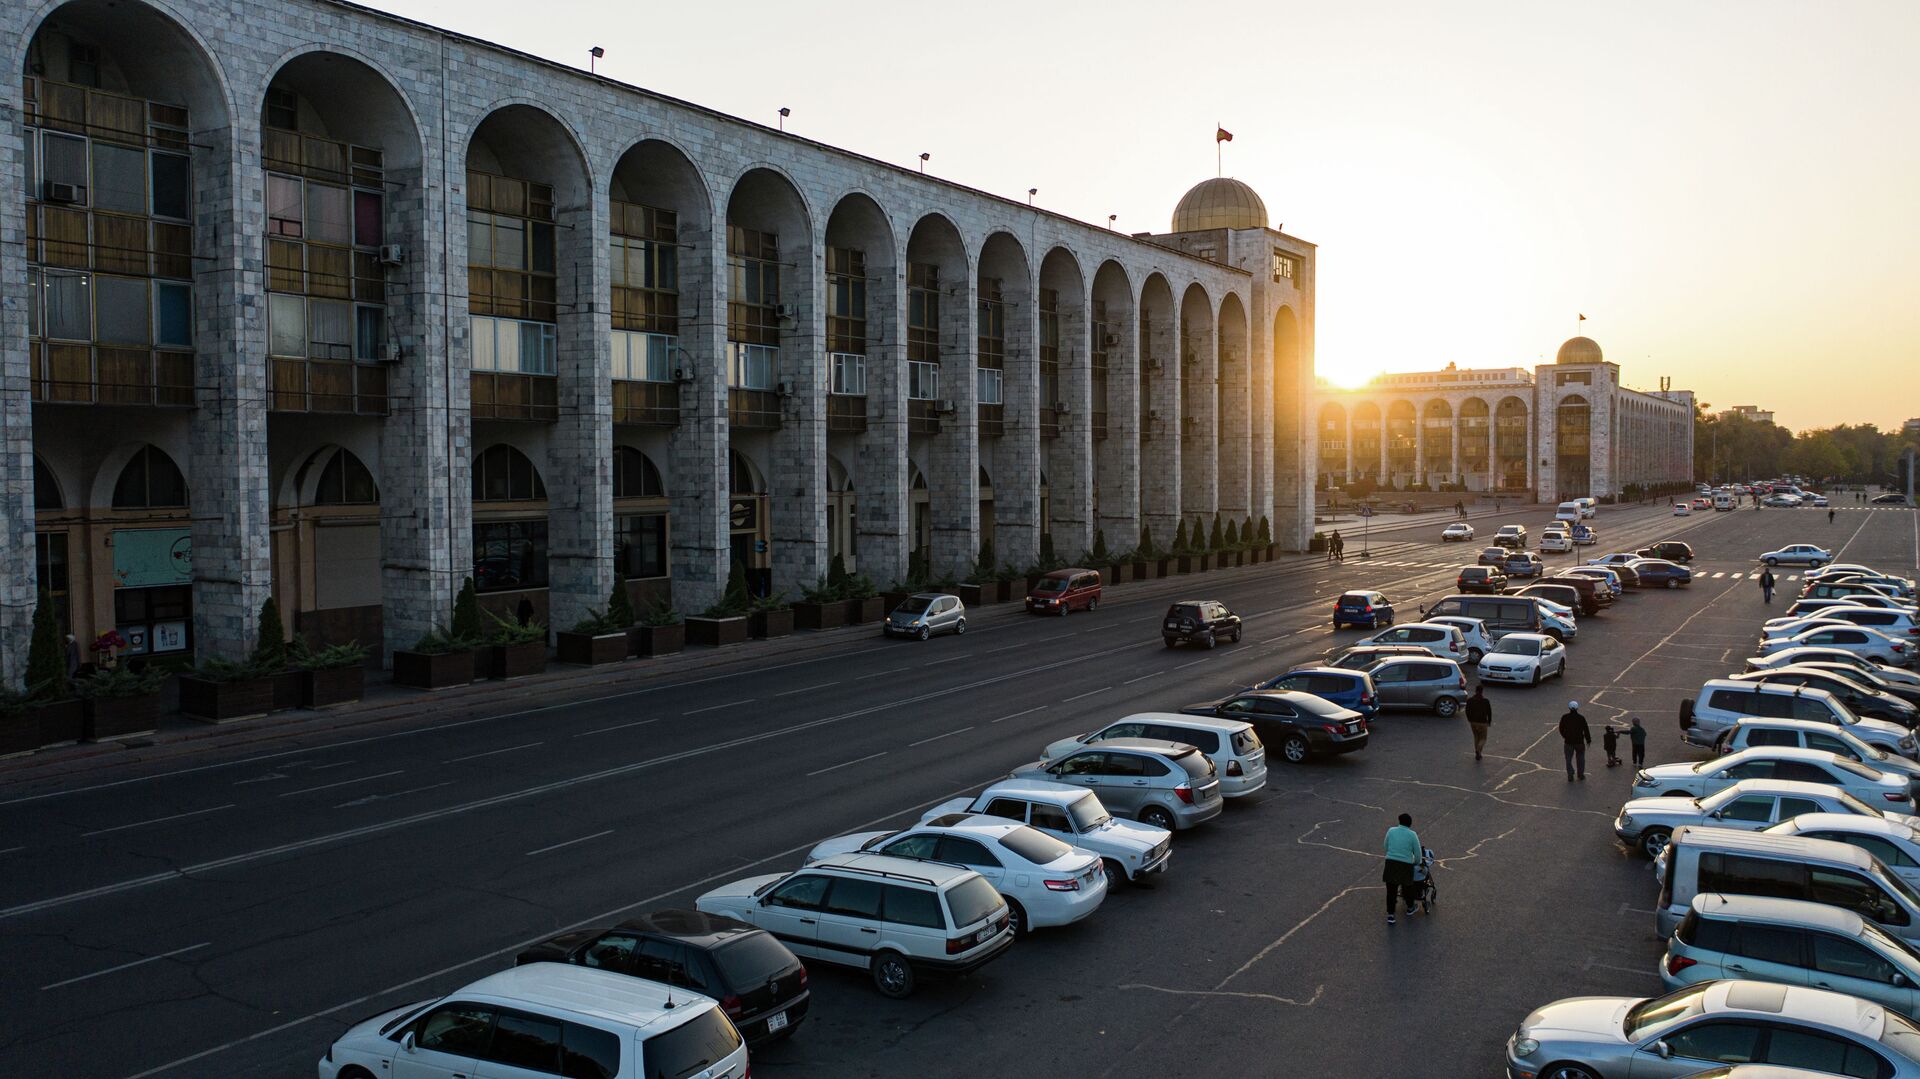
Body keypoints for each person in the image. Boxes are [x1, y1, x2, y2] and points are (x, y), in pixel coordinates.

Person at [1383, 812, 1422, 925]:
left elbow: (1385, 846)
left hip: (1391, 863)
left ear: (1399, 821)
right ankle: (1410, 908)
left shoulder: (1391, 830)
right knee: (1407, 887)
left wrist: (1391, 855)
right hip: (1405, 865)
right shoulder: (1412, 835)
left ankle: (1391, 915)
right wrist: (1415, 862)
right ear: (1410, 824)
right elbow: (1418, 854)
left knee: (1391, 890)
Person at [1559, 700, 1591, 781]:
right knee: (1580, 758)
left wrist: (1565, 736)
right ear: (1577, 708)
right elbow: (1586, 729)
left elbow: (1561, 728)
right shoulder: (1581, 718)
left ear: (1569, 708)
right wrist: (1588, 740)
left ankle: (1570, 774)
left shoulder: (1565, 717)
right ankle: (1580, 774)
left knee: (1568, 759)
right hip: (1579, 742)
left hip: (1568, 742)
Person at [1464, 685, 1492, 760]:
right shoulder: (1485, 701)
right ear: (1482, 691)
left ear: (1475, 691)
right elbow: (1489, 712)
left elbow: (1467, 711)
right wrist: (1489, 721)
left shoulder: (1470, 700)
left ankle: (1478, 752)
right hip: (1482, 722)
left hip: (1473, 722)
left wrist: (1469, 719)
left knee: (1476, 736)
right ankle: (1478, 749)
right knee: (1483, 738)